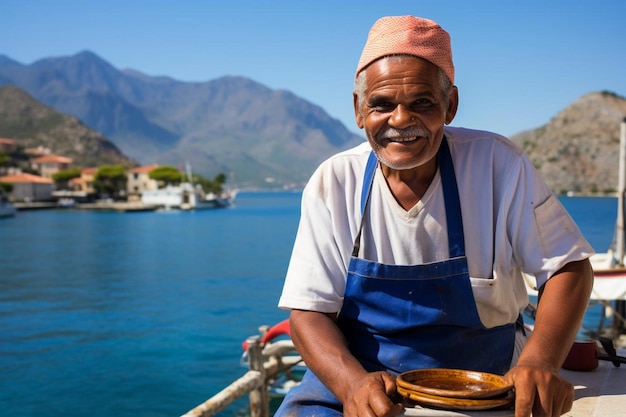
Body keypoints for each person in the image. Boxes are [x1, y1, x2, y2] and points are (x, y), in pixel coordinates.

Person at [275, 15, 594, 417]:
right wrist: (352, 384)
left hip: (483, 384)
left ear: (451, 105)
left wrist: (540, 361)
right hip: (358, 380)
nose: (401, 120)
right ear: (359, 110)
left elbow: (568, 268)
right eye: (382, 104)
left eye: (422, 102)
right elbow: (308, 311)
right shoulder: (335, 181)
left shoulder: (498, 165)